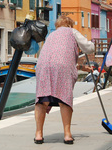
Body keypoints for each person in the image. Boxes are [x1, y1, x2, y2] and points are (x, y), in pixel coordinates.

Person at [34, 15, 95, 145]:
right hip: (62, 68)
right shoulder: (72, 32)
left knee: (42, 100)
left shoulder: (51, 35)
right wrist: (91, 45)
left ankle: (38, 134)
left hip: (43, 67)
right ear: (69, 25)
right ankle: (67, 135)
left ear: (58, 25)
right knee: (64, 99)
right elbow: (89, 48)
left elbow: (56, 57)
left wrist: (82, 67)